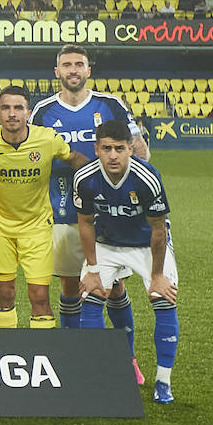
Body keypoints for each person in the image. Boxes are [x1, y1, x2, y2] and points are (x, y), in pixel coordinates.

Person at [31, 45, 149, 364]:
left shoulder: (110, 104)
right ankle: (75, 358)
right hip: (63, 213)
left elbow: (139, 150)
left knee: (114, 289)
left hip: (109, 215)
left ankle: (128, 359)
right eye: (66, 65)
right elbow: (32, 156)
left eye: (78, 64)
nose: (73, 70)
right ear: (57, 72)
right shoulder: (42, 111)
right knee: (71, 287)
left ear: (88, 70)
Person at [74, 120, 180, 403]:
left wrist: (157, 275)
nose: (113, 155)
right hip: (107, 242)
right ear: (96, 149)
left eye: (119, 148)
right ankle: (102, 375)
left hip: (147, 244)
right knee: (91, 295)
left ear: (131, 149)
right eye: (106, 148)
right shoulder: (84, 178)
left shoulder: (147, 177)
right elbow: (85, 224)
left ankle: (163, 382)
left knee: (163, 296)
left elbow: (159, 229)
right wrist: (94, 270)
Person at [0, 85, 87, 329]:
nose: (12, 114)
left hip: (37, 229)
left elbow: (74, 159)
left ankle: (42, 355)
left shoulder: (47, 139)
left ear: (28, 113)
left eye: (18, 108)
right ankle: (7, 349)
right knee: (5, 294)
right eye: (6, 108)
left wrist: (103, 177)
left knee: (40, 297)